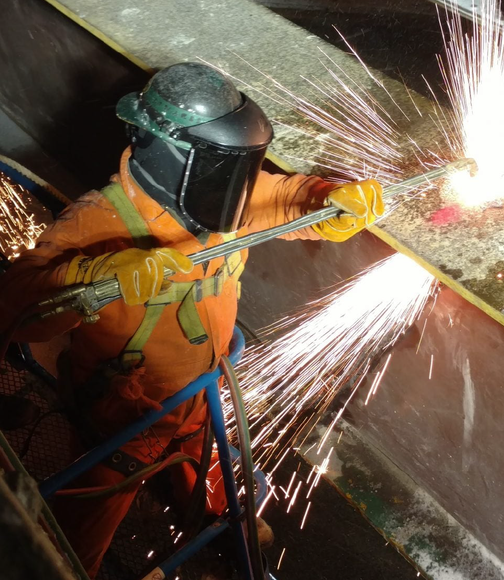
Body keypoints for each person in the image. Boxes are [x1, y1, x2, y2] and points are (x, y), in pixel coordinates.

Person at [0, 62, 383, 578]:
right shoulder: (100, 221)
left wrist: (328, 198)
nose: (241, 186)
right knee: (74, 542)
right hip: (122, 413)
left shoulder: (219, 195)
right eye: (228, 170)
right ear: (171, 154)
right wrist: (95, 276)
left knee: (206, 462)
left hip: (200, 394)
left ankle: (218, 515)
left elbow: (285, 197)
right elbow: (18, 304)